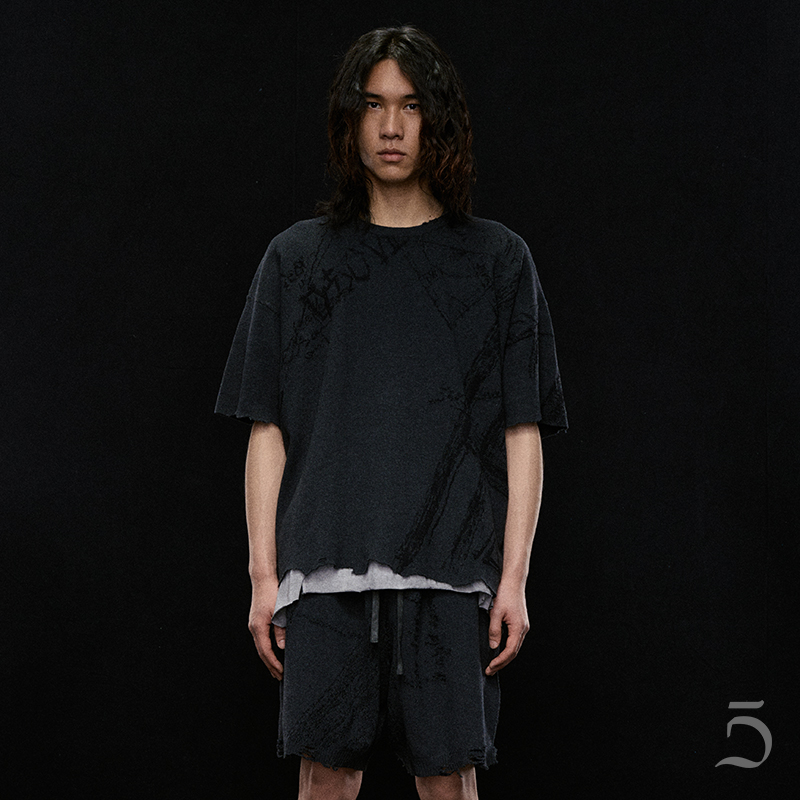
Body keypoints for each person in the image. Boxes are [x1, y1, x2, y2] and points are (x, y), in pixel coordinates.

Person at [215, 25, 567, 800]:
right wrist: (264, 576)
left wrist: (514, 580)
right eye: (372, 105)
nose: (391, 126)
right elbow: (267, 429)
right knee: (325, 780)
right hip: (324, 575)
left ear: (438, 120)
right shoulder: (297, 260)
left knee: (449, 784)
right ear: (349, 121)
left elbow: (523, 431)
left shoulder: (497, 260)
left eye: (410, 105)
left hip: (453, 577)